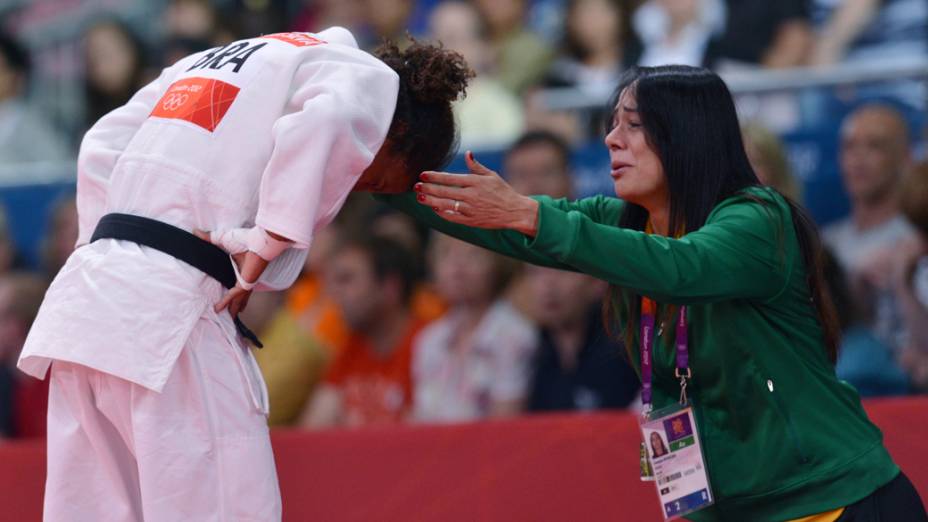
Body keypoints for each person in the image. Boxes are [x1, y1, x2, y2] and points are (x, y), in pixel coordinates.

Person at [383, 65, 927, 520]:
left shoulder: (758, 220)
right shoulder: (626, 222)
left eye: (634, 126)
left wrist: (529, 213)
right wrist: (382, 177)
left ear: (686, 135)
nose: (610, 139)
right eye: (611, 124)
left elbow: (683, 268)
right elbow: (502, 224)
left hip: (842, 503)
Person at [17, 27, 471, 521]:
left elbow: (102, 141)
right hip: (171, 313)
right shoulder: (364, 75)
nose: (360, 186)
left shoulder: (213, 60)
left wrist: (101, 252)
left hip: (83, 305)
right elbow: (332, 117)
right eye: (379, 177)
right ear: (395, 134)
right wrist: (271, 237)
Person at [301, 234, 424, 428]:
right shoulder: (352, 346)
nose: (333, 293)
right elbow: (313, 430)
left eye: (346, 279)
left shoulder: (429, 344)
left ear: (390, 287)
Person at [412, 233, 537, 423]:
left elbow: (505, 426)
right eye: (446, 253)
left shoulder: (514, 335)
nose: (457, 266)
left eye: (473, 253)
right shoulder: (428, 339)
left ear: (497, 263)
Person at [525, 265, 639, 412]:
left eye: (562, 270)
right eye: (535, 272)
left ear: (598, 282)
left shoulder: (626, 348)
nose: (548, 284)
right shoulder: (528, 352)